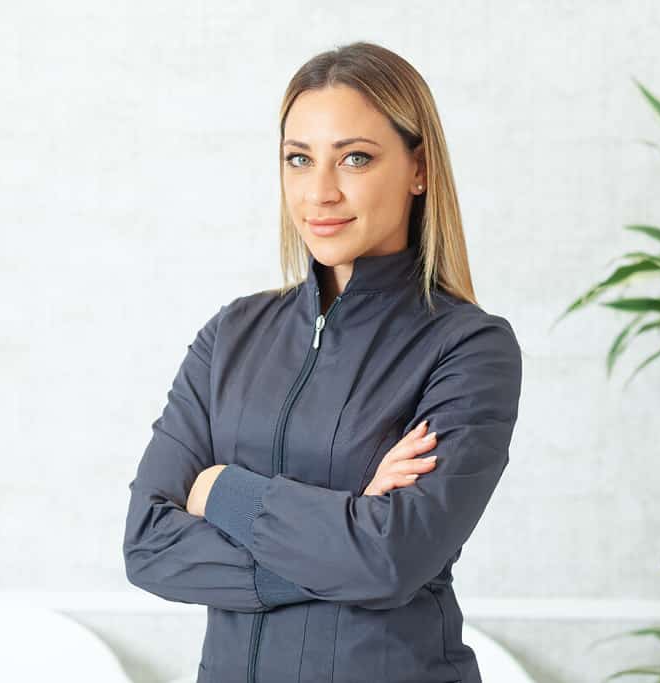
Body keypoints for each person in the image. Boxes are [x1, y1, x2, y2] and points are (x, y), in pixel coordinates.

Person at [123, 41, 523, 683]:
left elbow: (393, 557)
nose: (321, 192)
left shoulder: (469, 347)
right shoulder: (231, 334)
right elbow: (147, 546)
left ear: (418, 168)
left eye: (355, 158)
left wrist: (218, 488)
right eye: (299, 160)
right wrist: (348, 523)